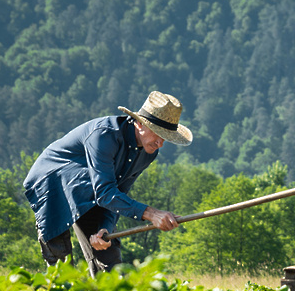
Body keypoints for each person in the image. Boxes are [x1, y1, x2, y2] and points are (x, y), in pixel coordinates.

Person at [23, 90, 192, 275]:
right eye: (157, 133)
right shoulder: (104, 135)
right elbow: (105, 193)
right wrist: (152, 214)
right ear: (139, 123)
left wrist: (105, 227)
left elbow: (119, 192)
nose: (160, 143)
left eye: (165, 137)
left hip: (93, 191)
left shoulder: (147, 153)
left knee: (109, 262)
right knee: (62, 267)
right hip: (52, 184)